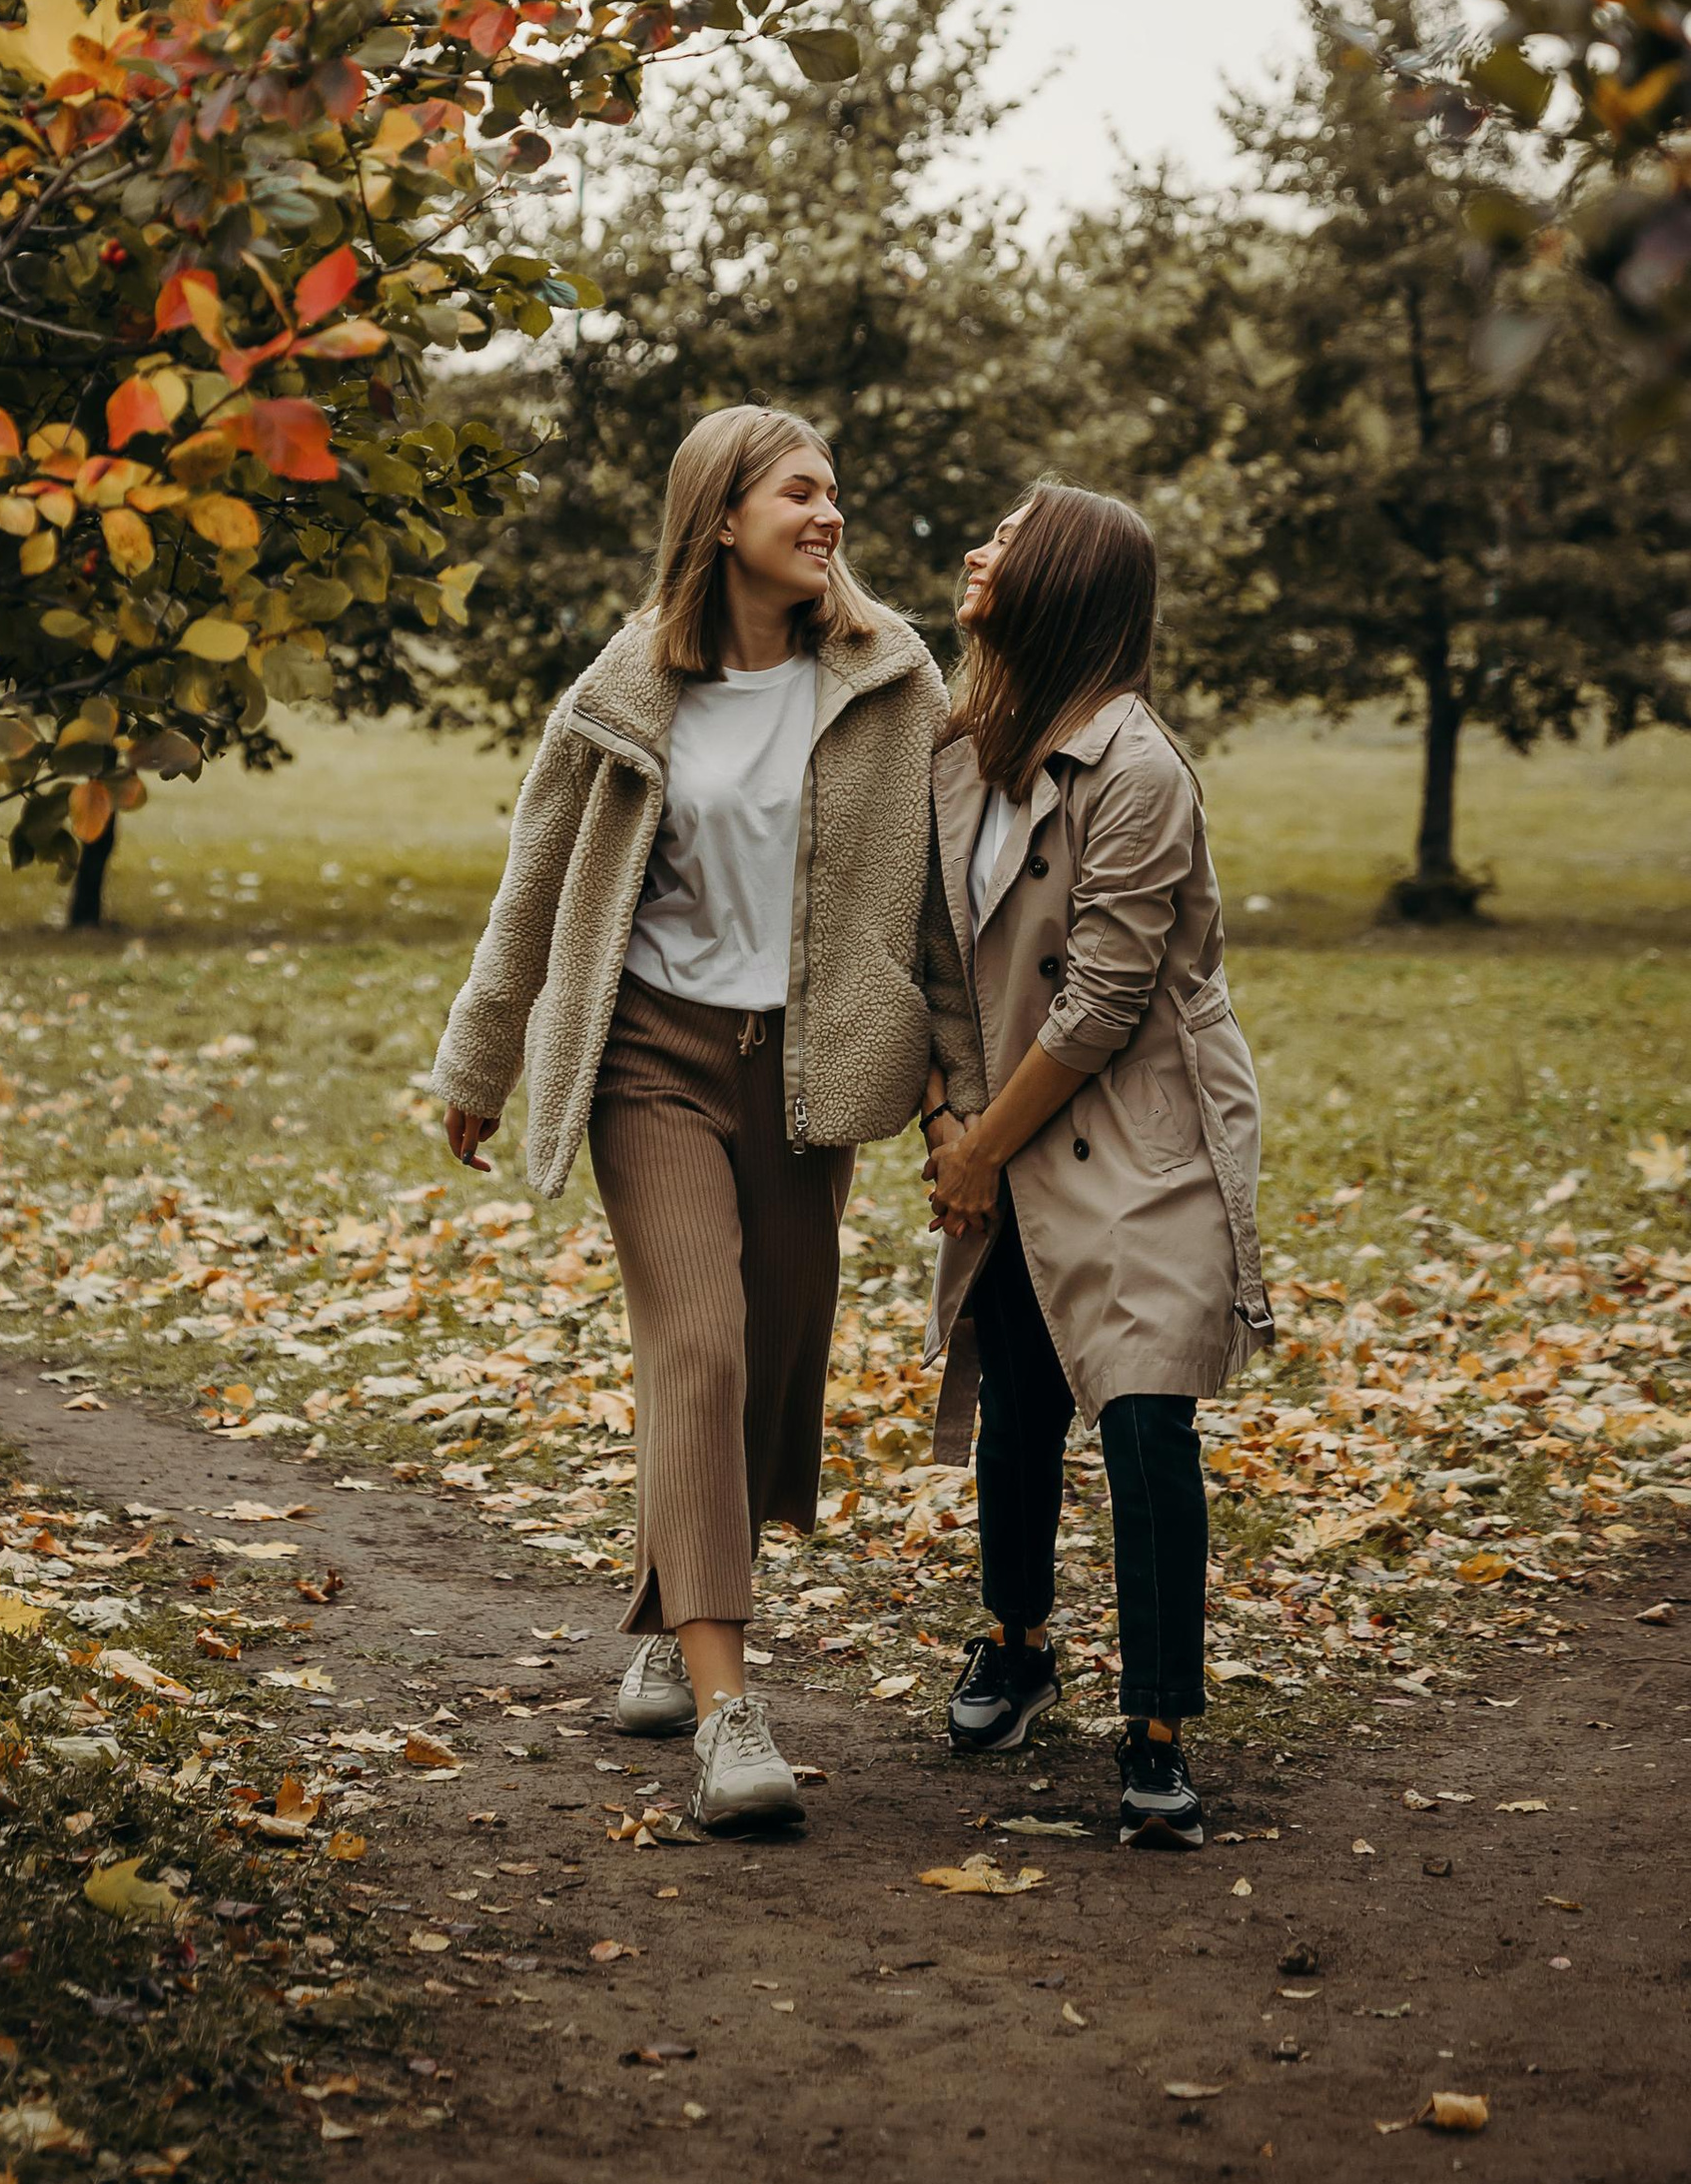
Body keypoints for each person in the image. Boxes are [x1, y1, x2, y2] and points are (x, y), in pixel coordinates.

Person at [428, 406, 944, 1832]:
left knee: (773, 1357)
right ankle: (728, 1713)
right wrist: (483, 1050)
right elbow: (538, 877)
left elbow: (938, 900)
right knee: (699, 1344)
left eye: (835, 493)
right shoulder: (627, 688)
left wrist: (958, 1080)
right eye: (800, 492)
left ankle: (663, 1613)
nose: (828, 515)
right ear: (721, 517)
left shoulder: (893, 679)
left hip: (806, 1068)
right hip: (649, 1052)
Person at [918, 482, 1271, 1851]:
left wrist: (981, 1148)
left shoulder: (1139, 770)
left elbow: (1108, 1000)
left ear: (1062, 579)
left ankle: (1162, 1726)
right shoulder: (957, 754)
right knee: (1016, 1386)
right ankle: (1016, 1642)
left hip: (1138, 1129)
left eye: (1003, 538)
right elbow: (941, 963)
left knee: (1142, 1406)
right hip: (1001, 1110)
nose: (976, 547)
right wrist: (955, 1128)